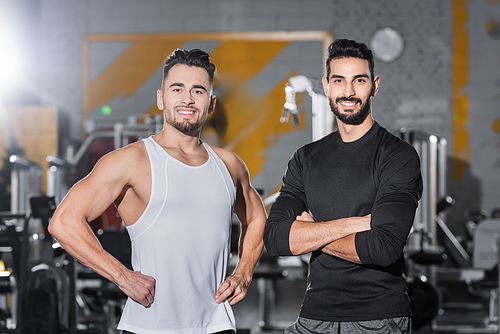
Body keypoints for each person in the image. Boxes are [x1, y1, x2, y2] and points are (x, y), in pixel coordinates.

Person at [49, 48, 267, 334]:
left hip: (216, 326)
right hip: (149, 326)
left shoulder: (228, 164)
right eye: (177, 89)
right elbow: (63, 222)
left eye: (197, 91)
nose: (187, 99)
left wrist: (243, 274)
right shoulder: (131, 160)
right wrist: (122, 276)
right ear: (160, 98)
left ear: (211, 103)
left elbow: (257, 218)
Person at [263, 39, 423, 334]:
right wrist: (355, 224)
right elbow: (274, 238)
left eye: (358, 81)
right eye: (339, 80)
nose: (348, 92)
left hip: (377, 319)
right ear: (326, 85)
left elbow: (382, 248)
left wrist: (310, 232)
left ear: (374, 85)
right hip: (314, 315)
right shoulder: (306, 158)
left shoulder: (397, 156)